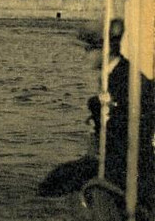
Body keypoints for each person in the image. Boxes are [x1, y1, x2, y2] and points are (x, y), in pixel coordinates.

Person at [39, 19, 155, 205]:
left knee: (55, 183)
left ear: (104, 50)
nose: (84, 56)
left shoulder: (124, 79)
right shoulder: (116, 74)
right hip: (117, 159)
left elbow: (125, 131)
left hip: (126, 166)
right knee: (58, 178)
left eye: (88, 50)